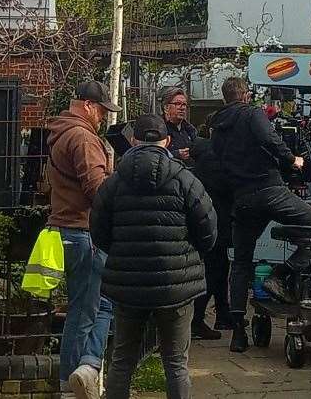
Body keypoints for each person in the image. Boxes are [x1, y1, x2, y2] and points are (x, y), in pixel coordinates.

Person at [91, 114, 217, 399]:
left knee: (122, 360)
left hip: (128, 284)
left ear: (133, 140)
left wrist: (124, 252)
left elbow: (98, 231)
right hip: (176, 283)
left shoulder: (113, 182)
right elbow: (208, 230)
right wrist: (187, 254)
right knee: (175, 363)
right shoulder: (186, 179)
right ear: (168, 141)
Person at [208, 76, 311, 353]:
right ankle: (281, 273)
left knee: (240, 262)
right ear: (246, 95)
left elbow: (218, 160)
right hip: (269, 189)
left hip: (242, 198)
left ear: (225, 97)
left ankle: (239, 332)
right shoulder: (251, 114)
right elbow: (269, 139)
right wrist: (293, 159)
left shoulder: (217, 127)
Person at [44, 79, 121, 399]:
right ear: (88, 106)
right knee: (86, 311)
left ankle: (87, 366)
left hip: (69, 229)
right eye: (102, 111)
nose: (103, 117)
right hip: (86, 230)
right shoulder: (83, 137)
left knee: (98, 304)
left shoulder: (61, 133)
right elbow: (96, 188)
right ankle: (73, 380)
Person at [189, 120, 233, 340]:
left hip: (208, 218)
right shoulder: (216, 156)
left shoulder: (207, 152)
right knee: (214, 271)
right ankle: (196, 319)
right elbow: (226, 186)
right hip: (213, 219)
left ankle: (222, 313)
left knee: (220, 267)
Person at [160, 85, 196, 163]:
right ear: (166, 108)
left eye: (184, 104)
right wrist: (175, 154)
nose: (182, 108)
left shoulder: (189, 129)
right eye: (178, 104)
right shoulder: (159, 129)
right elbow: (153, 156)